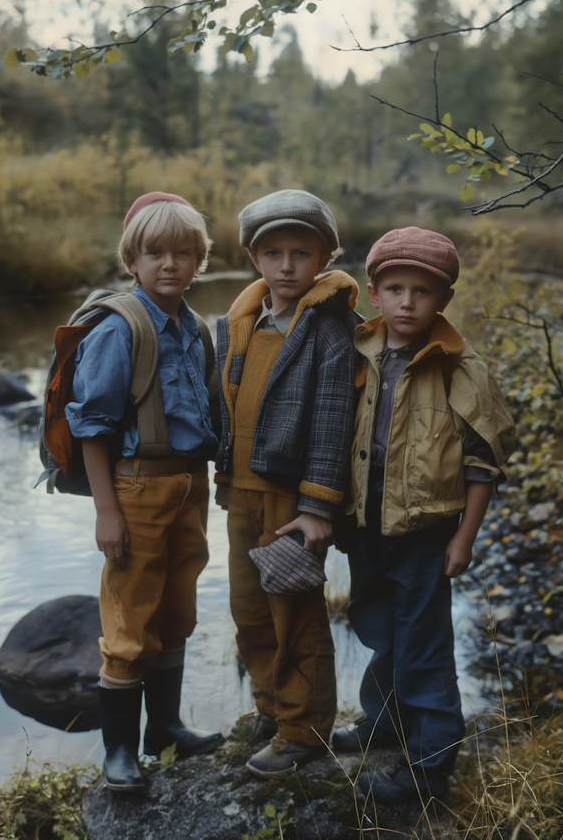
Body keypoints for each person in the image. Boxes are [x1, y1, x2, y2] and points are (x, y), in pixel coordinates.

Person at [334, 226, 515, 804]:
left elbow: (482, 465)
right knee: (379, 630)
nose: (406, 303)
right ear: (373, 290)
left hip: (427, 535)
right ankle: (382, 722)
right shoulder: (358, 353)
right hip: (367, 528)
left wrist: (464, 538)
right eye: (394, 289)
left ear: (443, 301)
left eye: (421, 292)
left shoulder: (463, 371)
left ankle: (428, 767)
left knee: (424, 646)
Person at [66, 192, 224, 792]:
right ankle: (119, 754)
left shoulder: (192, 326)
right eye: (155, 252)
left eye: (184, 253)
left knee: (176, 610)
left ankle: (165, 730)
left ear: (199, 260)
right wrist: (107, 511)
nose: (170, 264)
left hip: (189, 484)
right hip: (134, 486)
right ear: (132, 258)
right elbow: (92, 425)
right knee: (130, 617)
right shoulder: (120, 326)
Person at [214, 189, 358, 776]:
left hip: (292, 498)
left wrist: (318, 505)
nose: (287, 266)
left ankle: (304, 728)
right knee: (249, 607)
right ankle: (271, 709)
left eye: (302, 252)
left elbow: (331, 422)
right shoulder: (240, 321)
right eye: (273, 253)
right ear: (255, 259)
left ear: (325, 256)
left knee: (293, 608)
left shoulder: (329, 328)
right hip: (242, 490)